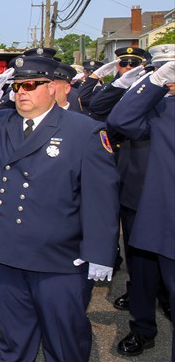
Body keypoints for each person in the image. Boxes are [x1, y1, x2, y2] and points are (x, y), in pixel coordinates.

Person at [0, 55, 120, 362]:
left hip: (57, 259)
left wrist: (99, 251)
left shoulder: (84, 131)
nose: (22, 92)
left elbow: (101, 198)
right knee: (14, 333)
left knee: (64, 338)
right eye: (17, 86)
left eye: (31, 85)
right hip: (5, 251)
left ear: (54, 88)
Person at [107, 58, 175, 362]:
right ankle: (143, 327)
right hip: (149, 206)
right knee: (144, 273)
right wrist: (154, 83)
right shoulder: (164, 108)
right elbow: (119, 119)